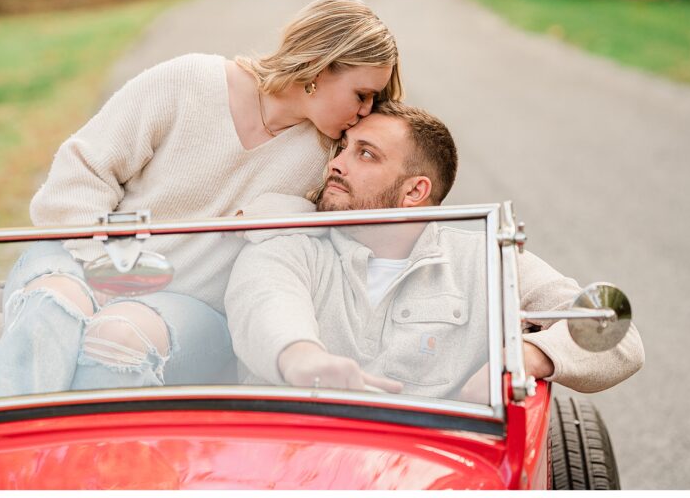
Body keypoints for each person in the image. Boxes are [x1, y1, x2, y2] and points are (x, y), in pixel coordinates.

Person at [0, 0, 403, 400]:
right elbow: (78, 177)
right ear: (319, 69)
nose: (366, 111)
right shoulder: (188, 81)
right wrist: (110, 272)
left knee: (119, 341)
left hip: (192, 312)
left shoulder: (329, 156)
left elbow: (358, 220)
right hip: (83, 259)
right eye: (361, 94)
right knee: (53, 308)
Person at [225, 101, 645, 402]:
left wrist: (525, 356)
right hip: (296, 456)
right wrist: (301, 358)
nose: (337, 164)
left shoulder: (486, 261)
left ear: (414, 191)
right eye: (343, 149)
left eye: (365, 154)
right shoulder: (287, 239)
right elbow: (265, 303)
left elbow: (618, 341)